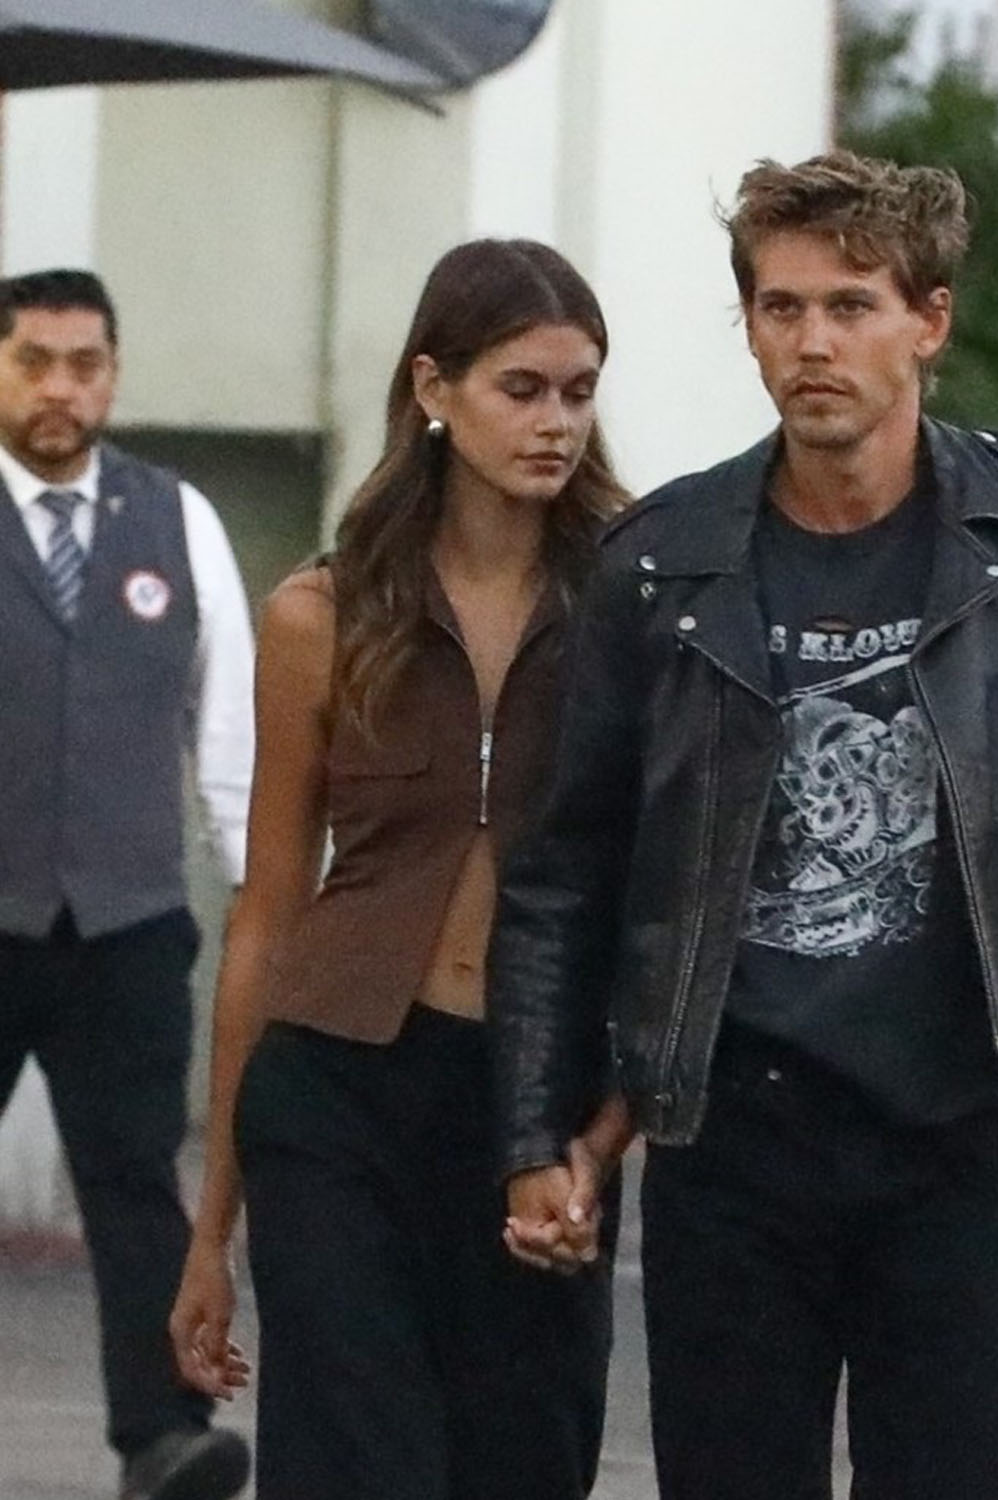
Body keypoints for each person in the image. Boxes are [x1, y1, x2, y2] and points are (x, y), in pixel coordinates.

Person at [490, 152, 998, 1500]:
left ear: (928, 321)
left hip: (950, 1124)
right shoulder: (664, 562)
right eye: (779, 308)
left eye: (849, 306)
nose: (812, 344)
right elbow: (567, 869)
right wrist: (534, 1135)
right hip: (731, 1135)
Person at [168, 239, 631, 1500]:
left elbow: (664, 913)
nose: (556, 423)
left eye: (579, 391)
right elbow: (266, 917)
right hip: (337, 1092)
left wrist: (601, 1140)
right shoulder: (320, 616)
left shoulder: (629, 613)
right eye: (521, 389)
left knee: (524, 1462)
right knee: (356, 1466)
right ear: (433, 386)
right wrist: (212, 1233)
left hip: (532, 1104)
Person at [0, 269, 255, 1500]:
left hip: (129, 925)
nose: (61, 388)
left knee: (137, 1182)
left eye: (85, 363)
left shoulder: (179, 519)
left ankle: (163, 1436)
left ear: (113, 372)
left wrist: (266, 902)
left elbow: (231, 738)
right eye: (34, 362)